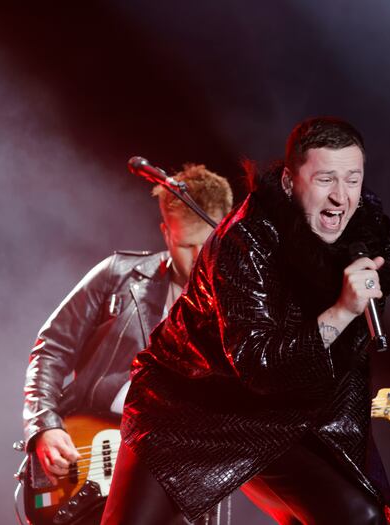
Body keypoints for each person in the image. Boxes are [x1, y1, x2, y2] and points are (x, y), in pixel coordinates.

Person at [103, 117, 390, 525]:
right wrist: (343, 311)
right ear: (290, 182)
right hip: (190, 405)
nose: (341, 197)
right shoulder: (245, 242)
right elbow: (258, 366)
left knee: (359, 518)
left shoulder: (365, 225)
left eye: (352, 179)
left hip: (295, 413)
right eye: (325, 179)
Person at [22, 164, 233, 524]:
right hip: (90, 462)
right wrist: (44, 425)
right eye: (186, 245)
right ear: (166, 233)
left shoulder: (242, 310)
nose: (199, 260)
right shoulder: (117, 275)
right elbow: (52, 348)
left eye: (208, 245)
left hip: (178, 477)